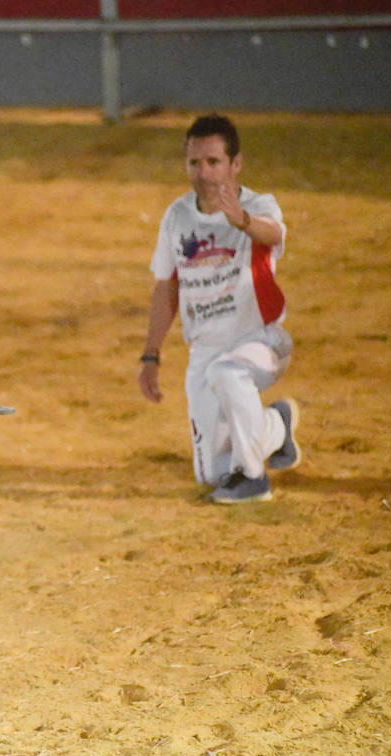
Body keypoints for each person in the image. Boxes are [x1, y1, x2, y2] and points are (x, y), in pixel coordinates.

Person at [139, 113, 301, 504]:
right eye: (195, 162)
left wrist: (241, 220)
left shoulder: (258, 206)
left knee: (228, 374)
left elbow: (274, 233)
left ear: (235, 164)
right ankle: (277, 426)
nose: (204, 173)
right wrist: (150, 354)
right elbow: (167, 286)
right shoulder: (177, 217)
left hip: (262, 341)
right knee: (212, 472)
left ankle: (253, 479)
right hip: (205, 351)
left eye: (214, 162)